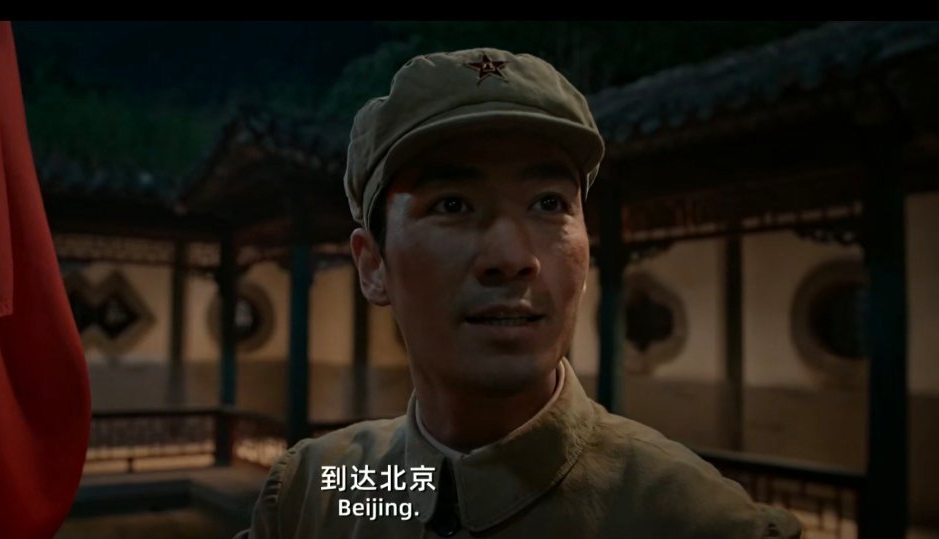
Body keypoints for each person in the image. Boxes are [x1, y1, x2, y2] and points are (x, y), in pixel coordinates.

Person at [236, 47, 802, 538]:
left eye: (549, 204)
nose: (512, 258)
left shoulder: (694, 520)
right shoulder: (320, 490)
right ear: (372, 266)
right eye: (453, 205)